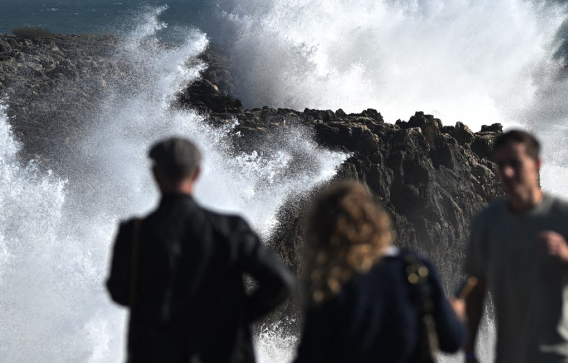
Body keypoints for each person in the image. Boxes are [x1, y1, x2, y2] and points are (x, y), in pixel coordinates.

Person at [106, 136, 295, 363]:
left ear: (155, 174)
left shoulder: (134, 234)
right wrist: (236, 317)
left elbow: (120, 293)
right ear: (196, 174)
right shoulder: (230, 229)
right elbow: (281, 281)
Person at [463, 130, 568, 363]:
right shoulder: (487, 221)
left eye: (515, 164)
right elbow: (476, 289)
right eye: (501, 164)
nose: (507, 172)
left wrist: (567, 254)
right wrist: (470, 350)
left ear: (536, 164)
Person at [294, 180, 466, 362]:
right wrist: (454, 312)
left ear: (321, 233)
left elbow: (309, 357)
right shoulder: (413, 268)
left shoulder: (332, 285)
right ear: (376, 220)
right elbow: (452, 341)